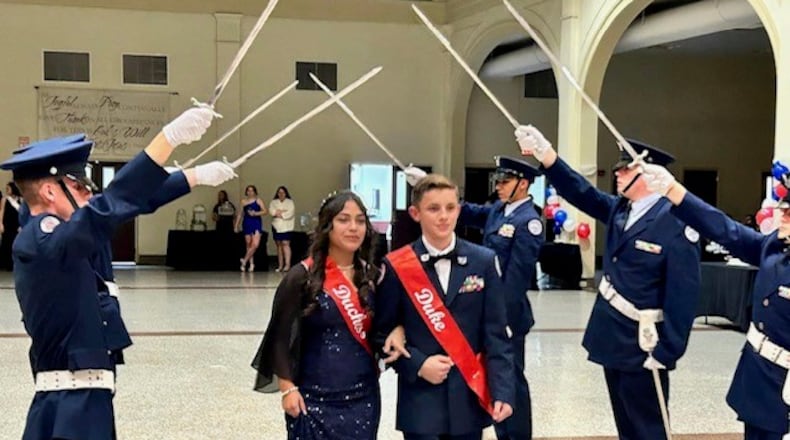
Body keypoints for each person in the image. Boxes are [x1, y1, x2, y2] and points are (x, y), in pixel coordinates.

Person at [2, 104, 219, 440]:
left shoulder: (56, 234)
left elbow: (124, 206)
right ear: (48, 190)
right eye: (79, 186)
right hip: (70, 408)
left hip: (84, 400)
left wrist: (193, 177)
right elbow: (104, 211)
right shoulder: (41, 237)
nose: (90, 192)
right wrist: (166, 140)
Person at [516, 125, 701, 440]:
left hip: (646, 344)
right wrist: (545, 154)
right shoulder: (621, 209)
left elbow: (684, 296)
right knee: (626, 426)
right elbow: (580, 191)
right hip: (613, 338)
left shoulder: (676, 223)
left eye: (625, 168)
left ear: (647, 174)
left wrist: (668, 351)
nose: (616, 174)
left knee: (649, 429)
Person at [640, 161, 790, 439]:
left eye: (789, 213)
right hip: (760, 376)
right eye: (782, 209)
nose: (781, 217)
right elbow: (725, 229)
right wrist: (674, 191)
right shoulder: (775, 247)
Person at [251, 191, 408, 440]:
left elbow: (391, 322)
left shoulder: (374, 277)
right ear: (327, 226)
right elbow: (278, 338)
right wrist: (287, 388)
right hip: (312, 397)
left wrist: (398, 329)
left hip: (363, 397)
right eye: (344, 220)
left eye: (360, 220)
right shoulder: (301, 276)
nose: (353, 228)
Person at [375, 173, 515, 440]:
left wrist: (503, 391)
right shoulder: (397, 265)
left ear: (459, 210)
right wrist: (417, 363)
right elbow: (382, 335)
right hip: (420, 403)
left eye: (450, 208)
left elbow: (496, 334)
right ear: (415, 213)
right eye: (433, 208)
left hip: (469, 396)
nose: (443, 216)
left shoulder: (483, 261)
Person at [458, 156, 543, 440]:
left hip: (508, 315)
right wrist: (426, 186)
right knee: (495, 378)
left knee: (512, 379)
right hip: (489, 311)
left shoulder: (528, 221)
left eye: (505, 182)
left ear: (524, 183)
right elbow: (468, 212)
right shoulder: (499, 211)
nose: (499, 187)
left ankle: (517, 435)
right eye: (499, 181)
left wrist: (499, 318)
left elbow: (516, 279)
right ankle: (502, 431)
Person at [236, 184, 266, 272]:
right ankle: (251, 264)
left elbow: (265, 211)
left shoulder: (258, 200)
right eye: (248, 190)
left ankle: (244, 260)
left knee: (255, 244)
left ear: (255, 192)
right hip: (247, 222)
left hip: (256, 222)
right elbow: (240, 214)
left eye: (252, 190)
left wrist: (256, 213)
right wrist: (236, 225)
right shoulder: (243, 201)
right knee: (248, 244)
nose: (250, 192)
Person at [270, 185, 296, 272]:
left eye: (283, 192)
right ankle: (280, 265)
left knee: (286, 244)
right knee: (279, 245)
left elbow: (290, 213)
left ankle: (287, 265)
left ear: (286, 193)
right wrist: (281, 212)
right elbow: (272, 211)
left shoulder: (290, 202)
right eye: (279, 192)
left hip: (287, 226)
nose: (281, 194)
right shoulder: (274, 202)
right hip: (276, 226)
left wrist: (280, 213)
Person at [0, 181, 22, 269]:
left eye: (8, 188)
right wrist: (0, 223)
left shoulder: (20, 199)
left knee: (15, 243)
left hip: (16, 225)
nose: (7, 190)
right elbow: (1, 211)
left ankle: (14, 263)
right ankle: (6, 263)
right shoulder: (5, 199)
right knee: (6, 243)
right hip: (7, 224)